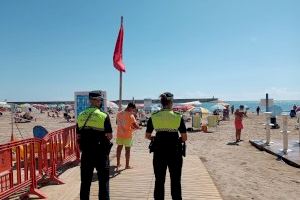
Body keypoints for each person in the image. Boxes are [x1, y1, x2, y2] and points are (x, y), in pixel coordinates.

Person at [145, 92, 187, 200]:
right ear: (171, 102)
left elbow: (147, 135)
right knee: (176, 181)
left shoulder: (154, 116)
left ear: (162, 103)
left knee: (159, 180)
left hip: (159, 151)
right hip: (175, 152)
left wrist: (154, 138)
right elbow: (184, 137)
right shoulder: (178, 116)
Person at [76, 91, 113, 200]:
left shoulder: (81, 115)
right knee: (103, 182)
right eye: (99, 100)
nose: (100, 102)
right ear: (93, 100)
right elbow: (109, 136)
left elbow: (78, 135)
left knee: (85, 182)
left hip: (86, 153)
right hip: (101, 152)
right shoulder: (103, 115)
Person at [116, 102, 140, 169]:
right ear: (130, 107)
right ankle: (127, 165)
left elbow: (116, 122)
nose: (132, 111)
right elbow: (135, 125)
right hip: (127, 135)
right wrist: (139, 127)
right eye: (133, 109)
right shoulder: (131, 115)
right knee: (127, 150)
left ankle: (118, 163)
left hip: (119, 134)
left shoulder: (119, 113)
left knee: (119, 149)